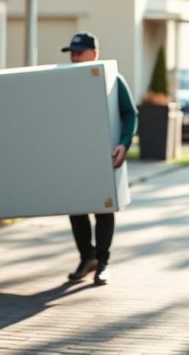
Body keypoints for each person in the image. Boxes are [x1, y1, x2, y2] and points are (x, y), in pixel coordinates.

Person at [61, 32, 138, 286]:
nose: (74, 57)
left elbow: (130, 114)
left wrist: (124, 145)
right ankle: (87, 257)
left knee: (103, 209)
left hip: (105, 156)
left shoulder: (114, 80)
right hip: (74, 157)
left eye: (79, 52)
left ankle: (103, 262)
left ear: (94, 53)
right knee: (75, 206)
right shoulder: (64, 81)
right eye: (71, 52)